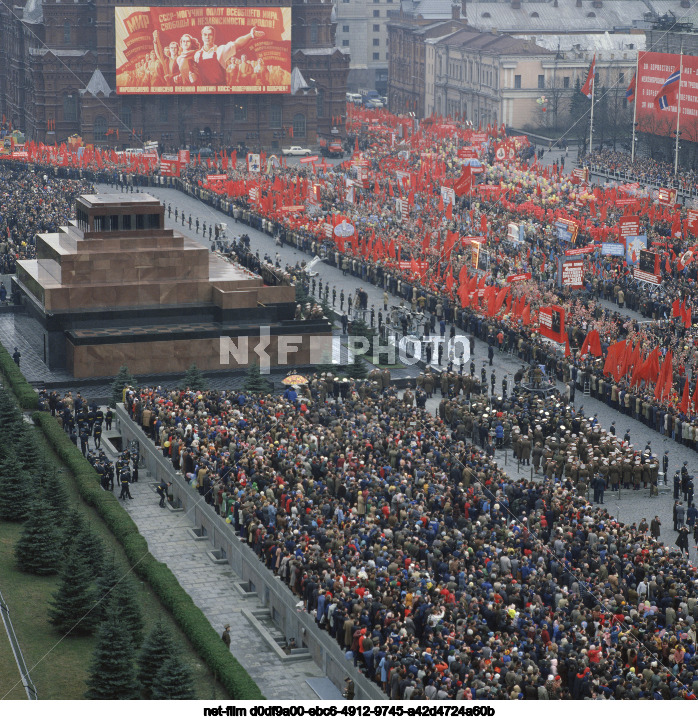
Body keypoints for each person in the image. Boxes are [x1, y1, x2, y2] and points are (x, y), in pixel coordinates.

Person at [194, 25, 265, 86]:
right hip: (203, 92)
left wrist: (251, 35)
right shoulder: (197, 55)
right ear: (202, 36)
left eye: (210, 34)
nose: (207, 37)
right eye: (205, 34)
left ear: (214, 37)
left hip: (220, 91)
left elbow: (237, 44)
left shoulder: (220, 50)